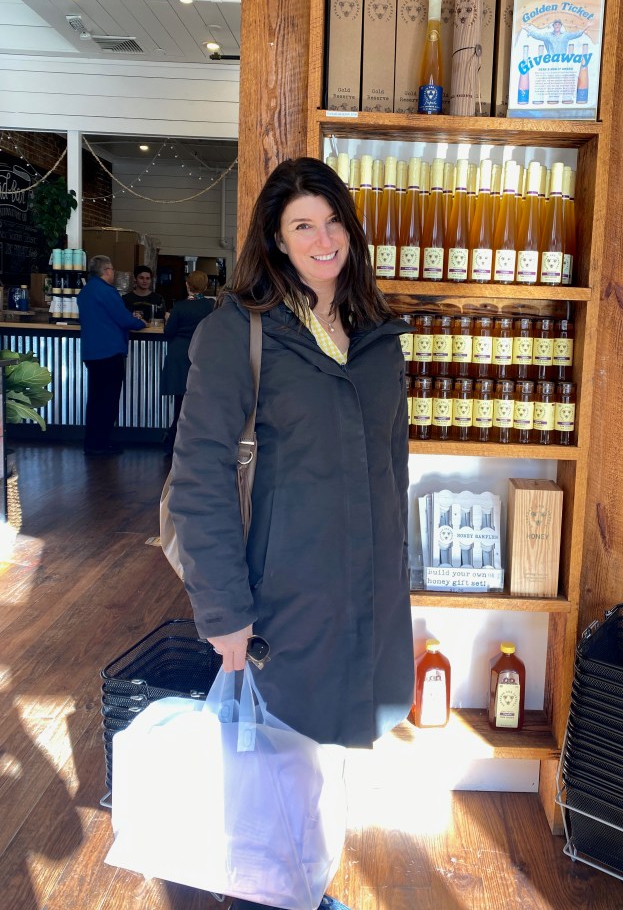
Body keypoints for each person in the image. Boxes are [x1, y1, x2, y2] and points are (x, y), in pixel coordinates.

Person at [167, 157, 414, 910]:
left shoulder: (376, 337)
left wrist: (396, 580)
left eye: (333, 220)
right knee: (271, 771)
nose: (323, 238)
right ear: (275, 240)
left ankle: (304, 890)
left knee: (321, 768)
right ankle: (269, 895)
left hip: (365, 595)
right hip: (278, 602)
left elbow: (391, 471)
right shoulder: (237, 332)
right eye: (303, 225)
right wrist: (224, 613)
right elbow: (199, 475)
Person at [77, 254, 147, 457]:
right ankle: (101, 443)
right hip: (109, 351)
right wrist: (140, 323)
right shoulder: (107, 292)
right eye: (113, 269)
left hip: (91, 352)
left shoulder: (86, 291)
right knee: (108, 400)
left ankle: (92, 442)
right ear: (106, 271)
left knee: (95, 399)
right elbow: (123, 319)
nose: (114, 273)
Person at [159, 269, 213, 455]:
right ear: (205, 286)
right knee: (199, 401)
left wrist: (168, 319)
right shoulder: (211, 307)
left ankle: (173, 442)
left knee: (180, 402)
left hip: (179, 354)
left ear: (187, 285)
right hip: (202, 355)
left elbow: (169, 332)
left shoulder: (180, 307)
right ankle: (194, 444)